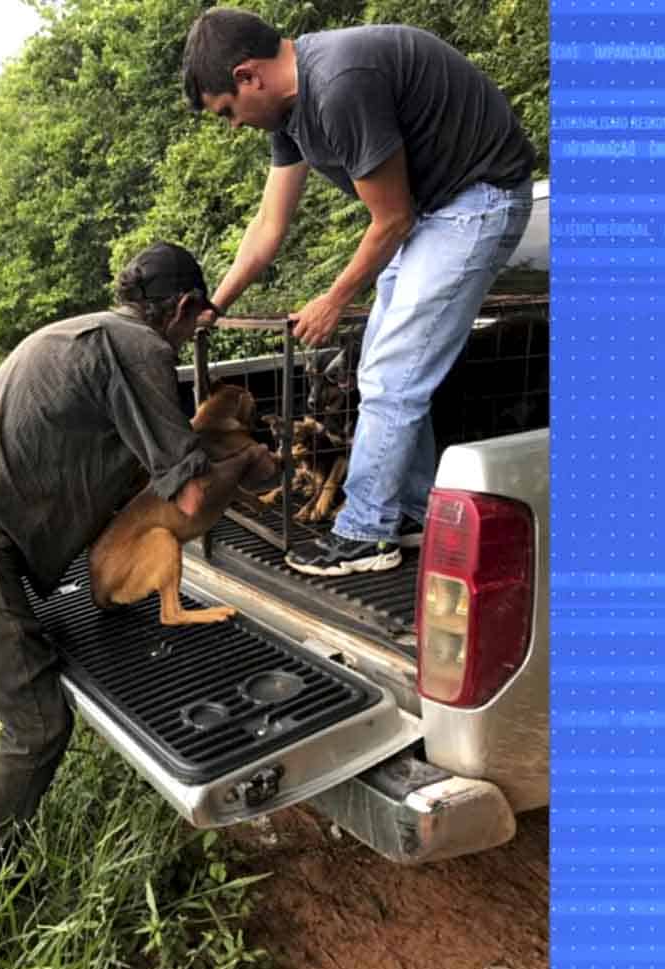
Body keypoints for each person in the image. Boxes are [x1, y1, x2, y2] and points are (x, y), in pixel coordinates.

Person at [0, 242, 255, 869]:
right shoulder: (141, 348)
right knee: (39, 722)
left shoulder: (80, 331)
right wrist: (248, 463)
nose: (186, 338)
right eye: (193, 322)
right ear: (181, 308)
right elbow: (191, 488)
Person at [182, 8, 537, 576]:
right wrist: (215, 305)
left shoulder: (340, 84)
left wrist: (335, 297)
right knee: (381, 367)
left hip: (479, 200)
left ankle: (366, 534)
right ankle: (414, 512)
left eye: (227, 110)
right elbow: (268, 228)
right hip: (432, 213)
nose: (233, 124)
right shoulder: (290, 115)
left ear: (249, 76)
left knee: (392, 374)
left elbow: (391, 218)